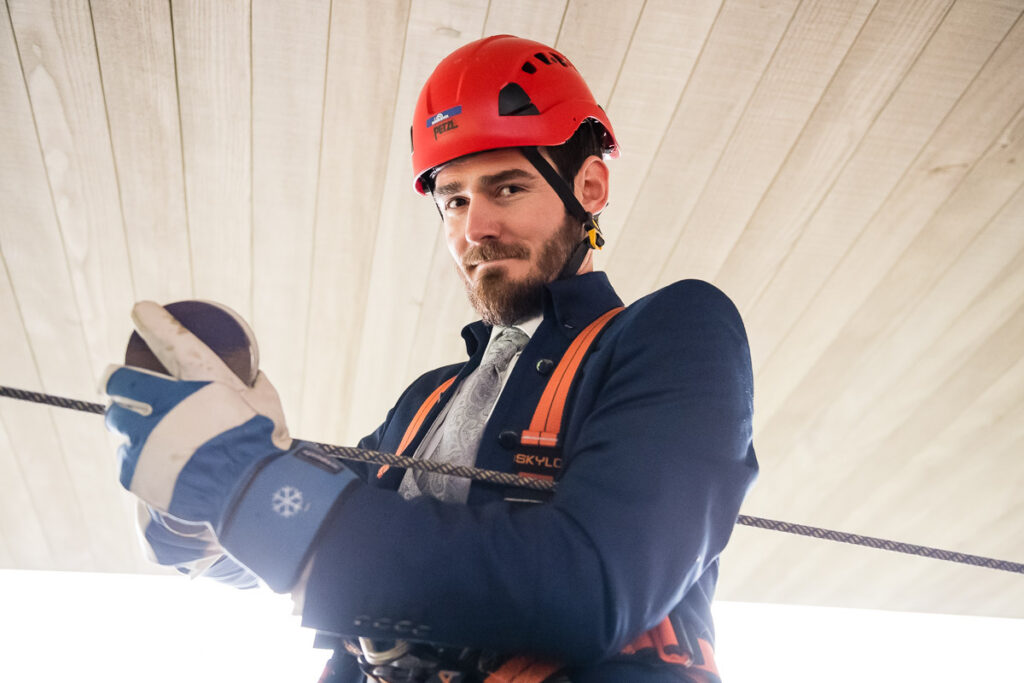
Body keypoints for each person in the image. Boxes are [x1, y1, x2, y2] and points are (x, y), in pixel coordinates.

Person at [103, 35, 758, 682]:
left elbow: (593, 586)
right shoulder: (425, 402)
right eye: (455, 200)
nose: (475, 228)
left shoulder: (677, 333)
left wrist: (253, 486)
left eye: (507, 188)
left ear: (588, 186)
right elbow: (309, 540)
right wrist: (195, 511)